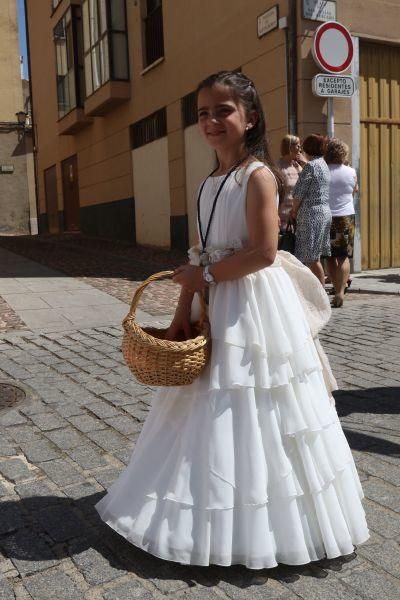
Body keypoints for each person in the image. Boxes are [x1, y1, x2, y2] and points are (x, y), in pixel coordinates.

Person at [96, 71, 368, 569]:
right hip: (213, 296)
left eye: (223, 110)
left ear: (250, 118)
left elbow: (264, 253)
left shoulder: (257, 176)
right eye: (203, 113)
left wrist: (206, 279)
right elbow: (197, 256)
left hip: (251, 306)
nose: (212, 121)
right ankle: (204, 499)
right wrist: (183, 311)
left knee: (253, 403)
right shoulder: (208, 182)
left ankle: (266, 518)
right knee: (202, 405)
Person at [290, 134, 332, 287]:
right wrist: (303, 165)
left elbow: (299, 193)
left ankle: (320, 294)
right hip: (323, 212)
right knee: (315, 257)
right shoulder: (322, 164)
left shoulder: (311, 166)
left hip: (311, 214)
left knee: (311, 259)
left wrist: (293, 211)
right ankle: (316, 291)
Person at [324, 138, 358, 308]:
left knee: (330, 258)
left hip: (327, 216)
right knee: (343, 257)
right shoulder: (351, 171)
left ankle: (336, 289)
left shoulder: (323, 171)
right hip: (346, 216)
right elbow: (354, 190)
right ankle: (340, 292)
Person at [277, 134, 306, 230]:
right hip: (284, 217)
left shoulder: (297, 166)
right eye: (298, 146)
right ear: (290, 147)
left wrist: (304, 163)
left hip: (298, 217)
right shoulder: (279, 168)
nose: (300, 149)